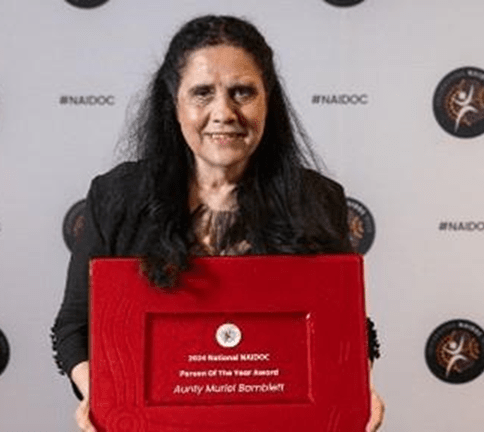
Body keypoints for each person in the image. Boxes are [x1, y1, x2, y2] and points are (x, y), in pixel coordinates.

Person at [52, 15, 385, 432]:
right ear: (174, 103)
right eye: (202, 93)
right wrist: (107, 400)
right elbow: (73, 327)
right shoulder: (118, 197)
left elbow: (349, 328)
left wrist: (352, 389)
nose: (223, 112)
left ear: (268, 100)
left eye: (242, 92)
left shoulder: (315, 200)